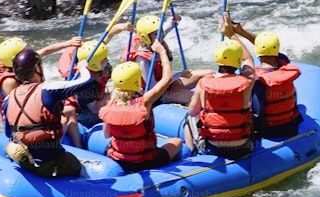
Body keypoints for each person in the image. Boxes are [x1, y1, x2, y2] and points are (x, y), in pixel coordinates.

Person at [2, 48, 97, 178]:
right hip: (52, 162)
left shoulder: (8, 99)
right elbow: (87, 81)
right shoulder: (48, 89)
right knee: (80, 168)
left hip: (25, 162)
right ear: (37, 69)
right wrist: (82, 67)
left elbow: (8, 133)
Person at [99, 39, 184, 173]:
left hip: (119, 160)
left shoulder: (109, 104)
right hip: (146, 161)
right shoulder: (144, 102)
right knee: (177, 141)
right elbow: (167, 79)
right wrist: (162, 52)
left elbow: (106, 135)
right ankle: (166, 171)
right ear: (137, 81)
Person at [224, 14, 302, 139]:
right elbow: (267, 48)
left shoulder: (258, 80)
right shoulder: (284, 62)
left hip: (269, 131)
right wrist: (241, 31)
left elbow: (257, 112)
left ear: (258, 53)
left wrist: (231, 35)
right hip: (291, 126)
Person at [186, 30, 256, 159]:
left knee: (188, 117)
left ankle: (193, 152)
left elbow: (192, 111)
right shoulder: (246, 83)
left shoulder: (203, 84)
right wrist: (230, 33)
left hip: (214, 147)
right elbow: (248, 60)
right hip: (242, 147)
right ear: (237, 60)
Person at [0, 35, 83, 117]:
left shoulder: (21, 64)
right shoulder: (9, 81)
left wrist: (68, 43)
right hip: (21, 120)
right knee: (68, 112)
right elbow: (20, 106)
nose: (28, 52)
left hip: (31, 113)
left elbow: (45, 51)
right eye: (24, 51)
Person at [124, 12, 210, 105]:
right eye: (156, 33)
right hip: (157, 95)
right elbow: (154, 88)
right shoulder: (142, 59)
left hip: (168, 84)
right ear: (146, 37)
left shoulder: (154, 39)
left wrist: (173, 20)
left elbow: (166, 28)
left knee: (209, 73)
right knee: (196, 97)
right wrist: (179, 75)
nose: (160, 35)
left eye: (160, 32)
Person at [58, 40, 112, 148]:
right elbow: (95, 109)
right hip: (84, 113)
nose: (107, 60)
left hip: (94, 99)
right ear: (95, 64)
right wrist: (113, 97)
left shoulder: (103, 68)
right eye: (104, 59)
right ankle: (79, 146)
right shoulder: (85, 84)